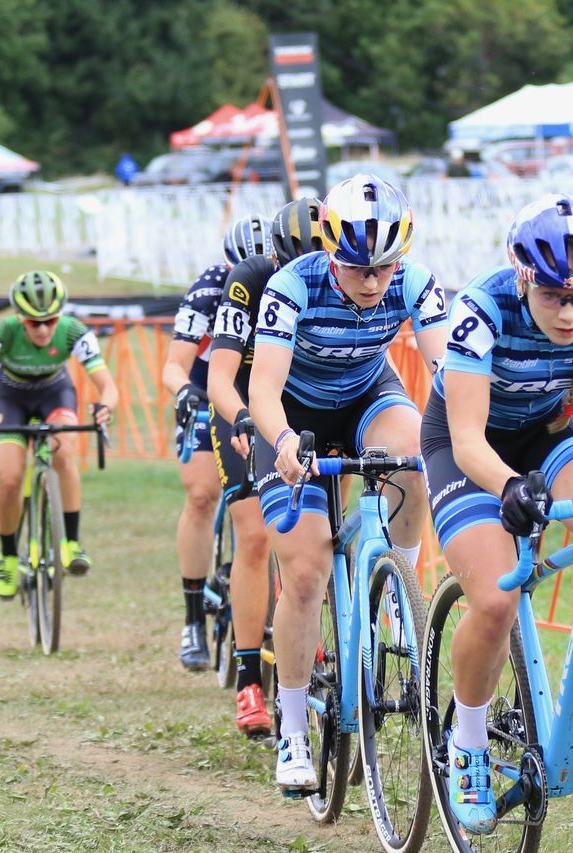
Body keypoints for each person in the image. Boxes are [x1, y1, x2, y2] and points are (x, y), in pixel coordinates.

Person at [421, 194, 573, 834]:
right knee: (494, 601)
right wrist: (512, 486)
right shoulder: (480, 312)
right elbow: (465, 440)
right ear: (523, 277)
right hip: (470, 449)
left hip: (551, 433)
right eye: (553, 297)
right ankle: (469, 742)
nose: (570, 313)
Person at [248, 174, 446, 793]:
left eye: (385, 268)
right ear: (331, 252)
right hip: (292, 413)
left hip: (367, 394)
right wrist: (282, 443)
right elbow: (262, 389)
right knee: (306, 573)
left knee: (417, 450)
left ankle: (397, 591)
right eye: (359, 267)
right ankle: (293, 731)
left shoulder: (413, 281)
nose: (373, 281)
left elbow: (446, 371)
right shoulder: (291, 285)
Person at [206, 197, 324, 736]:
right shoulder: (249, 278)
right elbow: (220, 376)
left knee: (323, 532)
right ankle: (250, 678)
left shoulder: (338, 281)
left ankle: (321, 641)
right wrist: (248, 425)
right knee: (254, 537)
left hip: (304, 406)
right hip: (245, 409)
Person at [162, 214, 272, 671]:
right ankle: (192, 617)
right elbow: (174, 366)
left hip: (261, 391)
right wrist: (185, 393)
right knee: (203, 495)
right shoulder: (209, 290)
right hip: (210, 390)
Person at [0, 271, 119, 599]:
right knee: (9, 478)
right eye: (33, 323)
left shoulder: (73, 331)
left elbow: (107, 386)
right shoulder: (3, 331)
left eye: (50, 320)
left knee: (64, 453)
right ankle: (8, 556)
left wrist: (105, 406)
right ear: (19, 319)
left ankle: (71, 544)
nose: (43, 329)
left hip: (54, 392)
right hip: (10, 397)